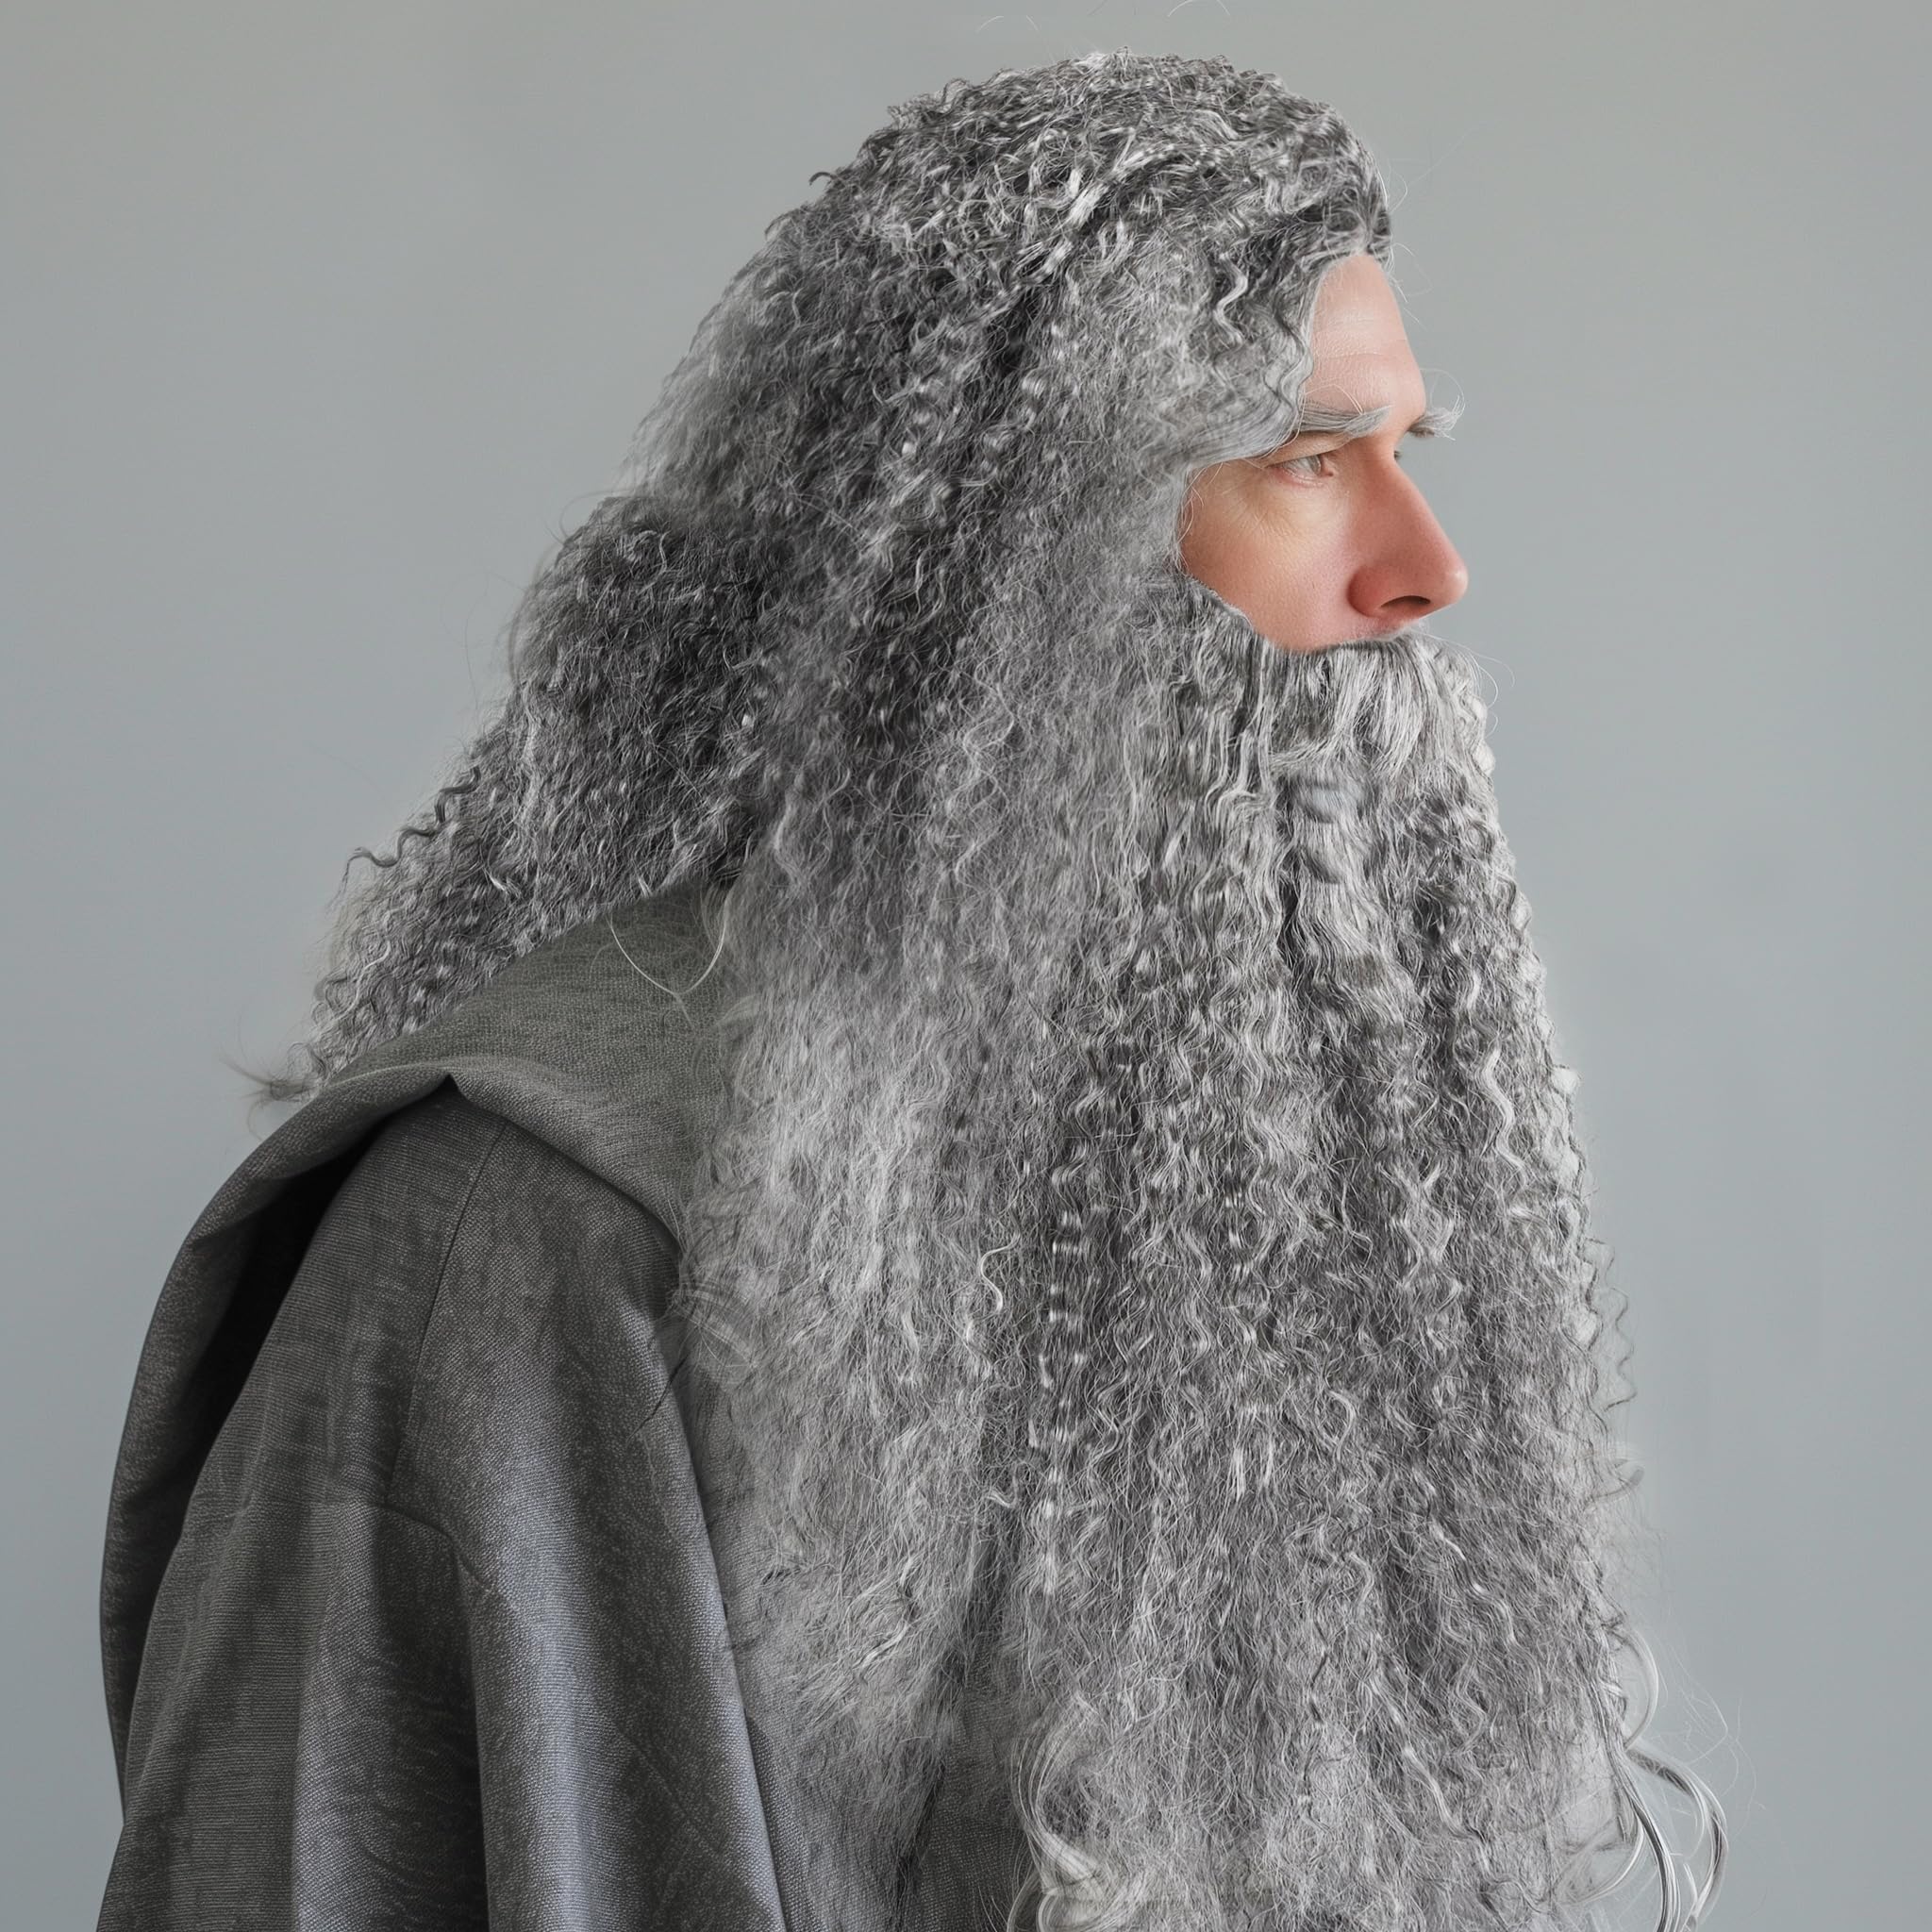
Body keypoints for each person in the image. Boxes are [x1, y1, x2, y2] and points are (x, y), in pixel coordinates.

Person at [96, 49, 1726, 1932]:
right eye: (1303, 460)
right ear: (997, 556)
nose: (1425, 572)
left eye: (1404, 455)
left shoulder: (1255, 1177)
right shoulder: (518, 1225)